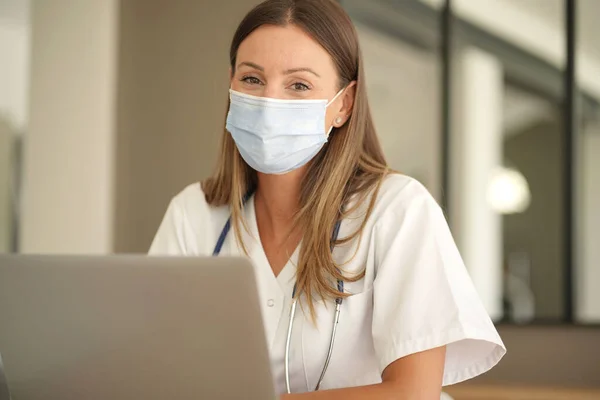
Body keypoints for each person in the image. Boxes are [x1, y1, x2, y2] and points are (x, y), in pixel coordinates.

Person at [149, 0, 506, 398]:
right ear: (230, 83)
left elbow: (413, 393)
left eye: (298, 85)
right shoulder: (193, 213)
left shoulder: (397, 210)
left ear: (344, 104)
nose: (270, 102)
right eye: (252, 79)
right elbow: (156, 365)